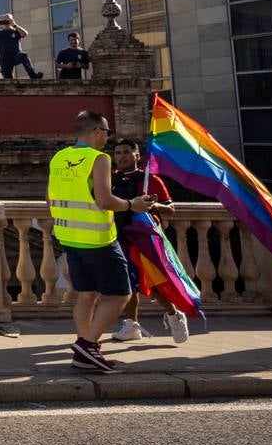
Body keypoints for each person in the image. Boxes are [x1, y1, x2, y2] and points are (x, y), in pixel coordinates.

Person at [47, 110, 156, 372]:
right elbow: (105, 200)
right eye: (107, 132)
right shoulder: (99, 159)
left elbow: (50, 199)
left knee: (86, 294)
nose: (107, 137)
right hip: (97, 239)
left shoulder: (59, 157)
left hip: (69, 237)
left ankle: (86, 350)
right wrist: (132, 204)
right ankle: (87, 345)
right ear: (97, 132)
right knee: (120, 294)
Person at [108, 138, 188, 344]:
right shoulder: (109, 179)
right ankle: (131, 325)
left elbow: (170, 209)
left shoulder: (150, 179)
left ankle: (174, 315)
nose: (122, 157)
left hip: (145, 240)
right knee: (127, 285)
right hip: (119, 238)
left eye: (126, 152)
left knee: (154, 281)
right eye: (118, 153)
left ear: (137, 156)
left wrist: (152, 206)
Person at [0, 13, 44, 79]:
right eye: (4, 20)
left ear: (12, 20)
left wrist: (15, 25)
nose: (6, 22)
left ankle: (33, 76)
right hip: (5, 59)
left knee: (24, 55)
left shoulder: (16, 31)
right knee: (8, 79)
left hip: (16, 56)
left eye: (8, 20)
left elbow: (25, 34)